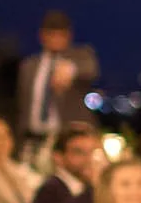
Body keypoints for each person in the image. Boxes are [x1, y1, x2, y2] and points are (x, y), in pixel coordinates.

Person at [15, 11, 98, 164]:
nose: (55, 40)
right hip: (32, 138)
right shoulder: (29, 66)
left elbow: (90, 67)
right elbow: (21, 104)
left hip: (63, 140)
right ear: (42, 36)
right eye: (51, 34)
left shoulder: (80, 57)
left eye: (60, 35)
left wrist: (71, 69)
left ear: (68, 36)